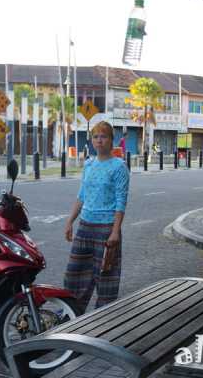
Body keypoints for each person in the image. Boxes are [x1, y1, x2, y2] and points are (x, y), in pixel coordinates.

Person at [64, 121, 130, 313]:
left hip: (106, 229)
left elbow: (121, 201)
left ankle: (103, 319)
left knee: (106, 278)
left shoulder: (119, 167)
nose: (99, 140)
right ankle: (72, 315)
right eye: (96, 137)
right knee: (74, 274)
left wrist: (115, 231)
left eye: (104, 136)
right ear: (92, 140)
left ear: (111, 140)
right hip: (85, 227)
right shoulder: (89, 164)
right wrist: (70, 221)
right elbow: (82, 195)